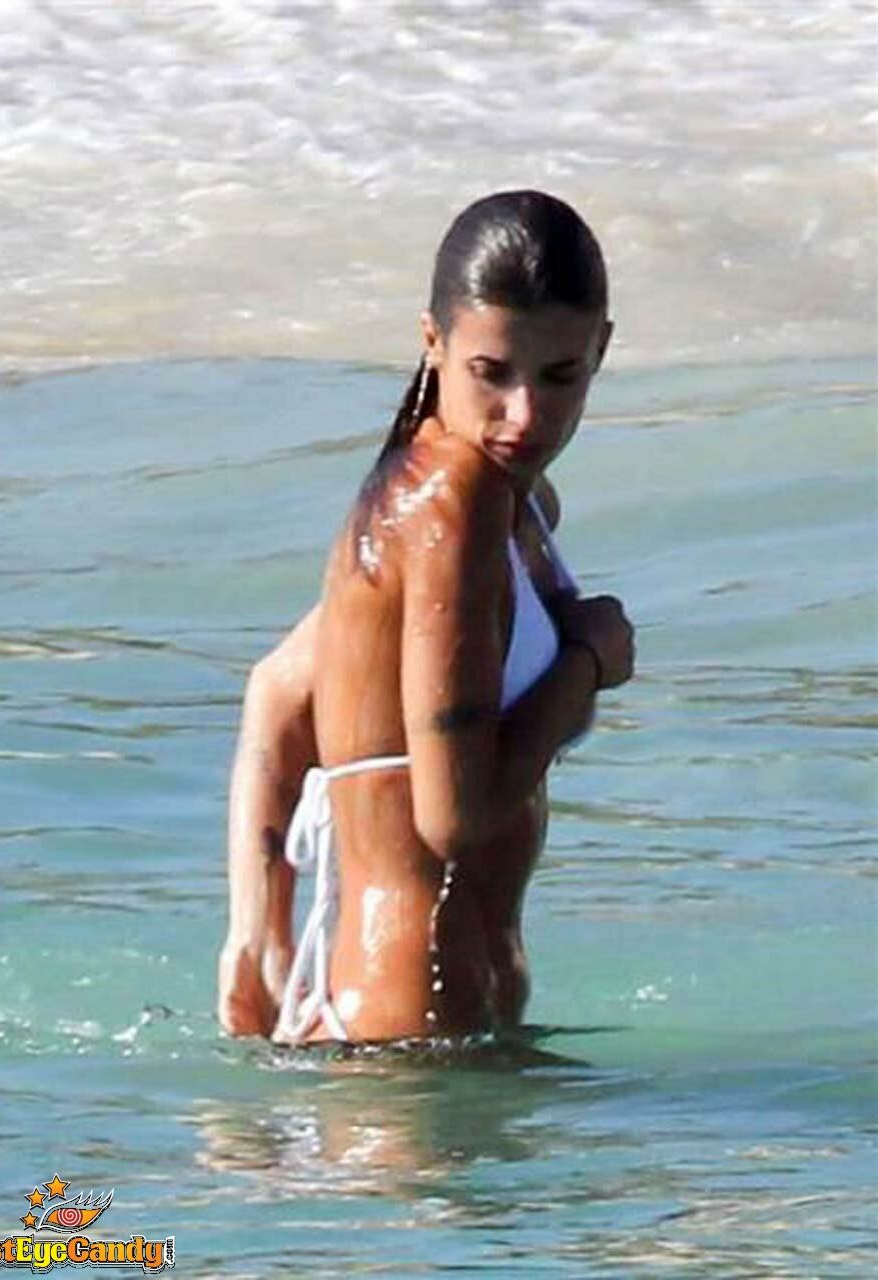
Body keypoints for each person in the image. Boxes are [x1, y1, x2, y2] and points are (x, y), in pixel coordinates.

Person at [218, 189, 635, 1046]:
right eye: (491, 373)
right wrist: (588, 661)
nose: (525, 414)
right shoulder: (452, 501)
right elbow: (456, 817)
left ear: (600, 347)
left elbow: (279, 688)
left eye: (559, 376)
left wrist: (257, 934)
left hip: (424, 1022)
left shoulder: (505, 502)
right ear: (433, 342)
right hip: (409, 1033)